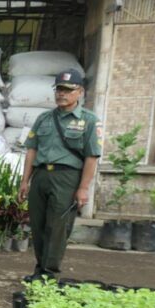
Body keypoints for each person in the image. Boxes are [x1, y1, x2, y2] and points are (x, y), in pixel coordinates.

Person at [18, 69, 100, 280]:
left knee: (57, 227)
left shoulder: (89, 121)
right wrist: (25, 181)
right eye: (59, 89)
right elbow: (31, 151)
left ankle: (49, 274)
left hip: (67, 178)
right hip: (41, 176)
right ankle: (39, 269)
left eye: (68, 90)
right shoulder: (43, 119)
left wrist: (83, 188)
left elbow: (92, 157)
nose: (62, 94)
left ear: (79, 92)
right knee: (38, 225)